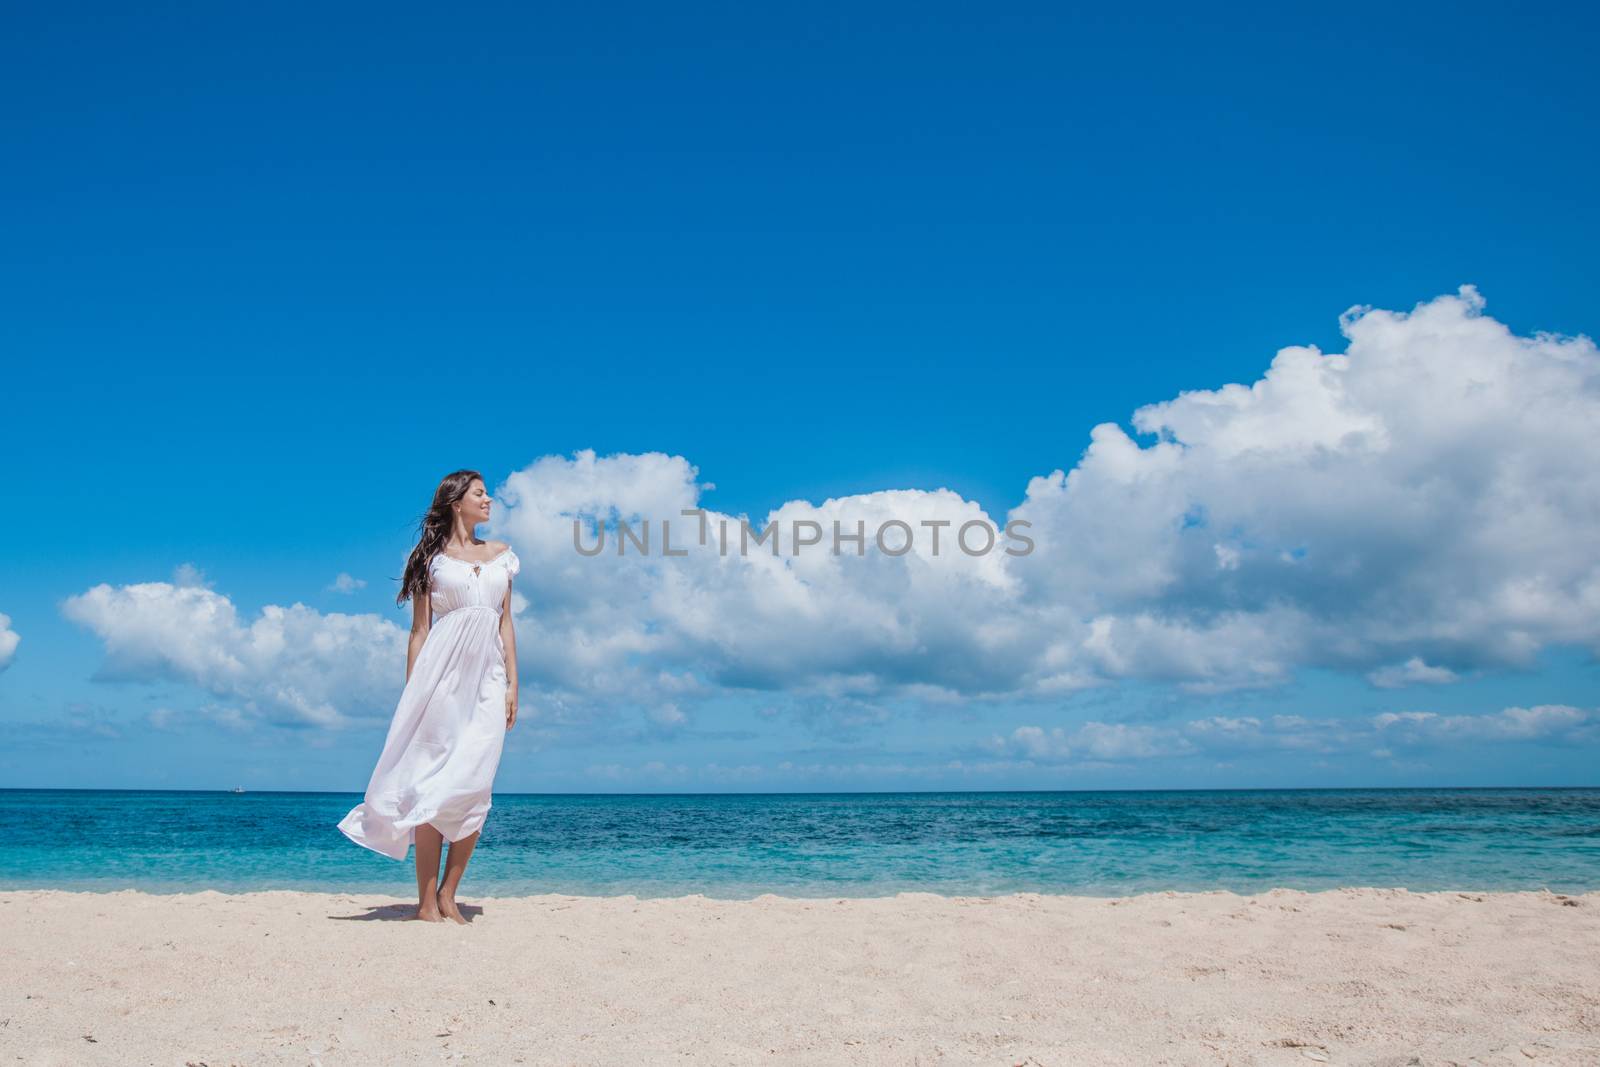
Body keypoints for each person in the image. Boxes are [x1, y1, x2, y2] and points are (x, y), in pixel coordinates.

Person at [337, 469, 520, 923]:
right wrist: (412, 694)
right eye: (480, 493)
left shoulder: (502, 557)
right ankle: (425, 903)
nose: (489, 499)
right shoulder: (430, 560)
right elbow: (419, 632)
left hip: (488, 681)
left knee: (475, 783)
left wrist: (514, 683)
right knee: (427, 785)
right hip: (439, 683)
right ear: (457, 501)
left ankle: (449, 892)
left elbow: (505, 623)